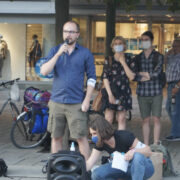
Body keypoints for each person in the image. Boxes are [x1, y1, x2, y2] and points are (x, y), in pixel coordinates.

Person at [40, 20, 96, 160]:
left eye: (71, 32)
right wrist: (58, 54)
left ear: (77, 34)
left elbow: (91, 79)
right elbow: (44, 71)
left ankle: (85, 171)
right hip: (56, 102)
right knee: (56, 137)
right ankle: (55, 168)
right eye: (65, 31)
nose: (68, 34)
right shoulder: (55, 50)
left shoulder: (85, 53)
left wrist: (87, 100)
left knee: (81, 138)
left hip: (77, 103)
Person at [86, 114, 154, 180]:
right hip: (123, 168)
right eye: (91, 134)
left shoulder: (124, 136)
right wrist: (78, 169)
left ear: (102, 130)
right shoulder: (100, 142)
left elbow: (148, 151)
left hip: (143, 168)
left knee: (137, 156)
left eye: (94, 133)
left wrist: (133, 151)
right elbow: (90, 162)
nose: (93, 137)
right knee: (96, 174)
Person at [132, 31, 164, 145]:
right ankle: (145, 144)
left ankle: (155, 143)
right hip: (142, 93)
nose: (143, 42)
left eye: (146, 40)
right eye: (142, 40)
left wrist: (144, 74)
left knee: (156, 119)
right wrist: (147, 75)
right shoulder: (138, 57)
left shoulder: (158, 56)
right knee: (145, 120)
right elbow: (134, 75)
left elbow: (157, 74)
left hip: (156, 92)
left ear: (151, 41)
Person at [101, 36, 136, 130]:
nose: (118, 46)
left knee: (121, 119)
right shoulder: (109, 59)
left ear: (124, 45)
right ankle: (107, 142)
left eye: (120, 43)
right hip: (111, 92)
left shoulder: (129, 59)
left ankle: (120, 142)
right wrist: (110, 95)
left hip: (123, 92)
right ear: (112, 46)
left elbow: (132, 77)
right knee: (109, 118)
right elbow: (105, 77)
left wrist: (123, 62)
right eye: (115, 44)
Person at [165, 39, 180, 141]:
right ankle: (177, 129)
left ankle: (176, 133)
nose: (174, 48)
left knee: (174, 110)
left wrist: (177, 87)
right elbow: (164, 62)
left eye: (176, 46)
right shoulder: (172, 56)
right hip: (170, 85)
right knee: (168, 108)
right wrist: (167, 53)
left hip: (176, 85)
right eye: (173, 46)